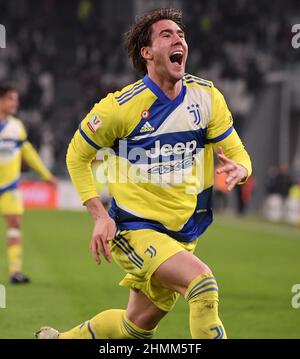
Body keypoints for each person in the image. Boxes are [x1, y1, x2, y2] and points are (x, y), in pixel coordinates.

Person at [36, 8, 251, 339]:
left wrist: (242, 169)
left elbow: (238, 154)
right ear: (146, 53)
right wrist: (98, 215)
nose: (178, 39)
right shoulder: (120, 108)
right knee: (202, 285)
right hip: (134, 228)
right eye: (166, 35)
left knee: (133, 329)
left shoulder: (206, 98)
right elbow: (77, 155)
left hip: (182, 232)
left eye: (181, 34)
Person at [0, 84, 56, 284]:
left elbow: (28, 153)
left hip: (9, 188)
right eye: (11, 99)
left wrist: (46, 175)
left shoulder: (16, 127)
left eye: (15, 99)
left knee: (15, 226)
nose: (15, 103)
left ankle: (15, 271)